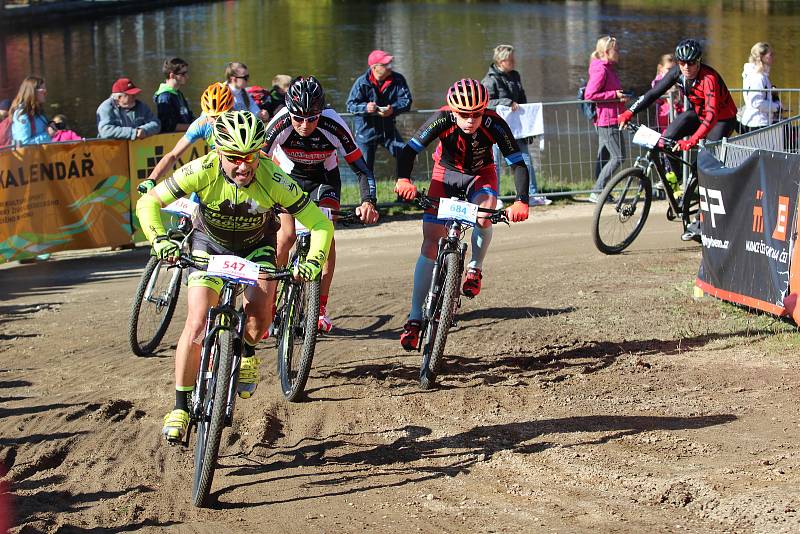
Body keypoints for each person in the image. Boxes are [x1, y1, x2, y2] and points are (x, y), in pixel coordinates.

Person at [136, 111, 333, 442]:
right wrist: (159, 239)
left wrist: (313, 259)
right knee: (197, 324)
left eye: (251, 158)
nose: (243, 167)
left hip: (257, 249)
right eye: (234, 159)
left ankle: (248, 351)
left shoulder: (273, 177)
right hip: (209, 247)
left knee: (259, 322)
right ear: (218, 152)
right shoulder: (202, 169)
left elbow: (320, 224)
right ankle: (181, 406)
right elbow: (149, 202)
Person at [393, 79, 530, 350]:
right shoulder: (442, 118)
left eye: (476, 114)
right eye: (464, 115)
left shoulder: (494, 123)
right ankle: (415, 316)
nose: (470, 120)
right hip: (445, 175)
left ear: (484, 110)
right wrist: (403, 180)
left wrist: (521, 201)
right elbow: (409, 150)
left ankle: (475, 269)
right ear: (453, 111)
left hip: (481, 175)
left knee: (485, 214)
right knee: (431, 243)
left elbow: (517, 162)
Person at [264, 76, 379, 333]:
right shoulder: (280, 121)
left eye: (312, 118)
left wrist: (368, 201)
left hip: (324, 179)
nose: (305, 125)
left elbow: (362, 169)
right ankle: (268, 305)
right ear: (288, 112)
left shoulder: (333, 124)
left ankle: (321, 308)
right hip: (287, 178)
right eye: (299, 118)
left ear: (321, 113)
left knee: (326, 238)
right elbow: (258, 162)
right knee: (285, 237)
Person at [619, 39, 738, 240]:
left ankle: (702, 220)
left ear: (699, 62)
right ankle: (678, 189)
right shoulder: (677, 72)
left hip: (721, 120)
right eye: (681, 62)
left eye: (690, 63)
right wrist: (629, 111)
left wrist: (691, 141)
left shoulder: (709, 78)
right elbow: (653, 93)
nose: (685, 67)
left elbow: (711, 117)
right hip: (697, 114)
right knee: (666, 140)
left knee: (704, 164)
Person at [482, 44, 552, 206]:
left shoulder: (515, 76)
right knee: (496, 165)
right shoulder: (489, 80)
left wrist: (528, 123)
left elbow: (522, 99)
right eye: (510, 59)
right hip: (496, 129)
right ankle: (494, 197)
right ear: (501, 61)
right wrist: (507, 102)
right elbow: (485, 102)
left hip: (518, 128)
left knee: (525, 160)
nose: (513, 62)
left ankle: (531, 194)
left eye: (513, 59)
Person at [144, 82, 234, 186]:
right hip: (219, 171)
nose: (215, 121)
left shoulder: (243, 122)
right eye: (211, 116)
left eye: (219, 116)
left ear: (230, 111)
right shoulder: (202, 124)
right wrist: (151, 179)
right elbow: (173, 155)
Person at [345, 49, 412, 173]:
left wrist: (393, 109)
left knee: (405, 155)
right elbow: (350, 105)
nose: (390, 66)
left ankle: (403, 188)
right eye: (385, 64)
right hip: (366, 132)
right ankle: (368, 192)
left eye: (390, 63)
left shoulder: (398, 79)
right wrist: (366, 108)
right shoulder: (362, 82)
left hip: (388, 129)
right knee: (364, 170)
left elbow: (407, 101)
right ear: (374, 67)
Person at [584, 36, 628, 202]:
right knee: (618, 157)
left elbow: (608, 92)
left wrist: (620, 97)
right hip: (607, 120)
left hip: (612, 117)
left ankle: (601, 191)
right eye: (615, 49)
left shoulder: (609, 68)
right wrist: (614, 95)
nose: (618, 52)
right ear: (606, 52)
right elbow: (590, 95)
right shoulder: (601, 69)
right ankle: (597, 191)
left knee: (604, 157)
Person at [96, 77, 160, 140]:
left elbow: (156, 123)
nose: (135, 96)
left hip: (136, 147)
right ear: (119, 97)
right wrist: (134, 132)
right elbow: (105, 131)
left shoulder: (141, 106)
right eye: (131, 95)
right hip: (111, 148)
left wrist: (144, 130)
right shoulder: (105, 108)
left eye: (135, 94)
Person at [740, 42, 781, 133]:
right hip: (758, 123)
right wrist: (777, 107)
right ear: (762, 57)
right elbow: (757, 102)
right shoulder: (758, 77)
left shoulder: (755, 74)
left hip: (756, 121)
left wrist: (771, 93)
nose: (773, 57)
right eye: (770, 54)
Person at [154, 57, 195, 133]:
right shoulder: (164, 97)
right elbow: (167, 126)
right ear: (172, 75)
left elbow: (189, 116)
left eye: (186, 73)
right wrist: (195, 127)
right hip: (172, 140)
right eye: (183, 74)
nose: (187, 77)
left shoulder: (178, 93)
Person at [10, 76, 51, 146]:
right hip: (29, 156)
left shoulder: (38, 112)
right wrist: (47, 135)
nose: (45, 91)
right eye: (42, 89)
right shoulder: (22, 114)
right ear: (32, 92)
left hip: (42, 155)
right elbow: (23, 144)